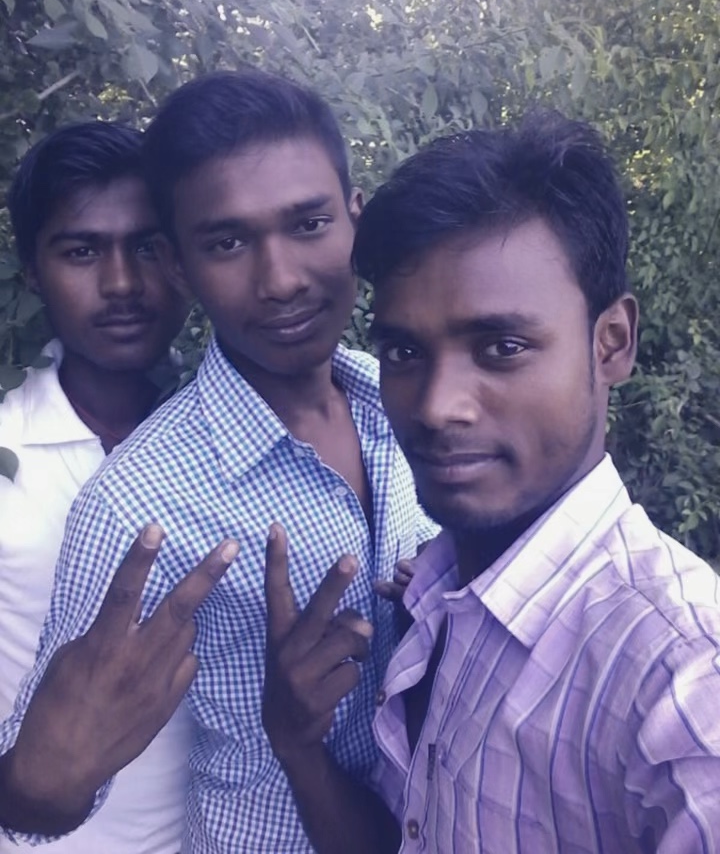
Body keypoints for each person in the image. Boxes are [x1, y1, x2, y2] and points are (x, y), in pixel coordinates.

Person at [0, 72, 434, 853]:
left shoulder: (402, 400)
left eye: (309, 223)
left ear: (355, 218)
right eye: (228, 242)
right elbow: (43, 788)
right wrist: (41, 784)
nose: (281, 281)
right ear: (179, 264)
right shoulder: (137, 503)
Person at [262, 113, 720, 853]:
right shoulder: (443, 600)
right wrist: (298, 744)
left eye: (502, 347)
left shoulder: (682, 678)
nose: (437, 406)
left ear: (611, 343)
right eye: (404, 352)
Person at [0, 121, 202, 853]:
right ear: (32, 270)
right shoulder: (6, 449)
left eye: (147, 246)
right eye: (81, 251)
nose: (121, 284)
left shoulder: (236, 439)